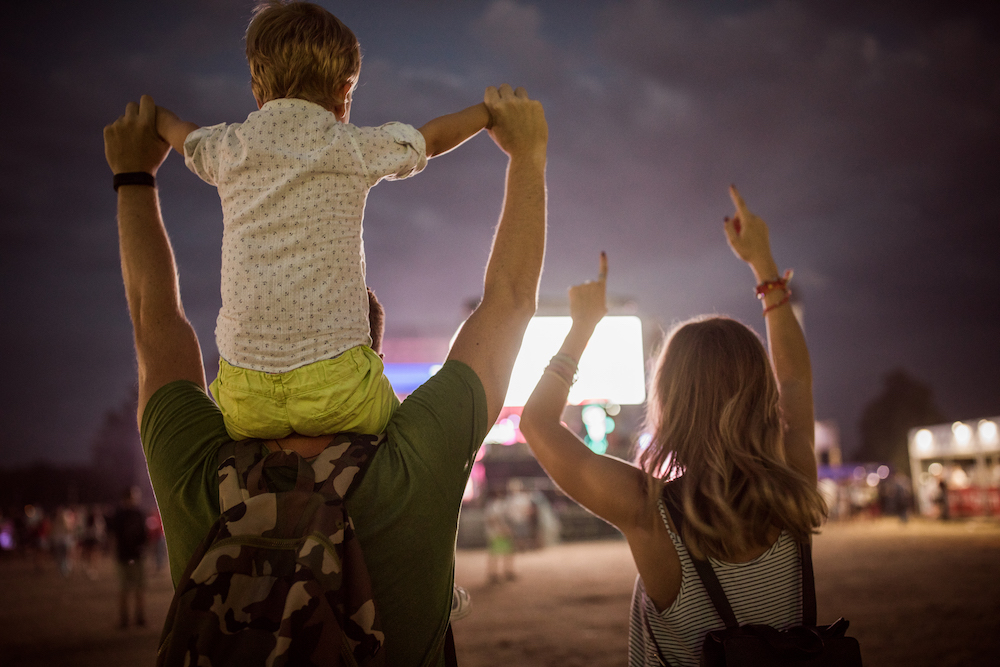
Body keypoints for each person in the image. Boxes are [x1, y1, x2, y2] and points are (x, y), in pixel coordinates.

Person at [104, 82, 546, 665]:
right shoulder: (415, 464)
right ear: (368, 356)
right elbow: (510, 300)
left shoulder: (197, 470)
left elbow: (152, 321)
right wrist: (528, 154)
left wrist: (133, 177)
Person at [153, 0, 493, 443]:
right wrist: (488, 113)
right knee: (405, 442)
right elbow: (429, 139)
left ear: (257, 92)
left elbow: (183, 135)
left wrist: (156, 119)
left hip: (243, 397)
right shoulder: (348, 146)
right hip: (338, 388)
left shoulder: (229, 148)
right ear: (344, 94)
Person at [520, 187, 827, 667]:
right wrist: (764, 266)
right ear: (761, 393)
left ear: (672, 405)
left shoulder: (649, 511)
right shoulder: (797, 477)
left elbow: (537, 424)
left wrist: (581, 326)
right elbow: (795, 378)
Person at [106, 487, 149, 629]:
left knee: (138, 588)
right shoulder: (119, 515)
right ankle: (125, 618)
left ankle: (139, 617)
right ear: (128, 498)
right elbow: (113, 536)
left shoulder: (139, 513)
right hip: (124, 556)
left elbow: (144, 534)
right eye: (134, 497)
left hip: (136, 555)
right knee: (124, 589)